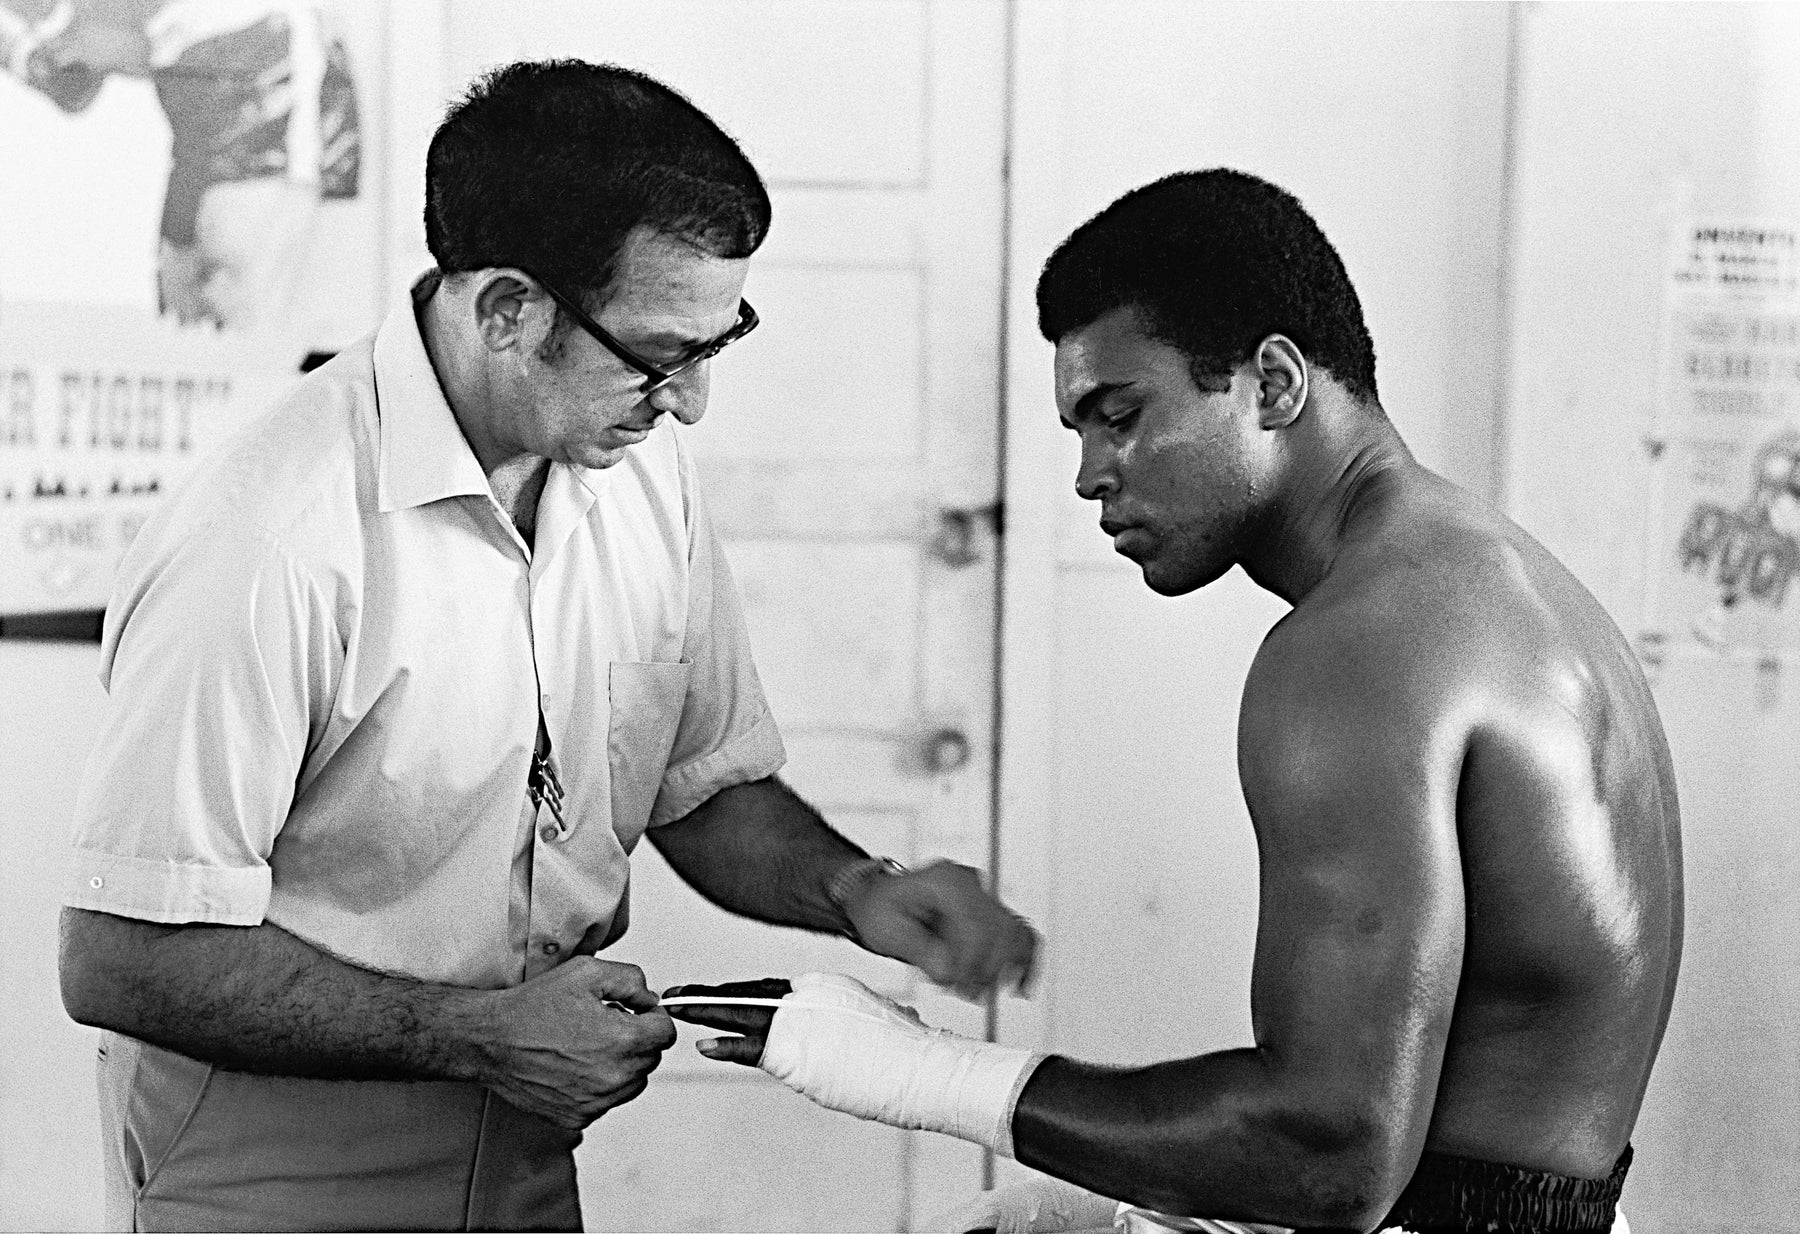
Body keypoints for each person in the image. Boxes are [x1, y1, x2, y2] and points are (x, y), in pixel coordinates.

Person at [57, 60, 1037, 1233]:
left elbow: (694, 780)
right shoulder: (268, 533)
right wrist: (477, 1037)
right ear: (509, 311)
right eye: (663, 354)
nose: (691, 403)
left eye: (718, 344)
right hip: (273, 1162)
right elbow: (123, 956)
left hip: (524, 1132)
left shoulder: (635, 466)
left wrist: (859, 891)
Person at [668, 170, 1683, 1234]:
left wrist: (925, 1074)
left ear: (1275, 383)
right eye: (1079, 431)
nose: (1090, 475)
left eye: (1121, 416)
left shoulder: (1358, 646)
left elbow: (1335, 1152)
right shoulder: (1490, 575)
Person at [0, 0, 360, 329]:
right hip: (283, 184)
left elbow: (195, 146)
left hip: (261, 185)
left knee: (236, 344)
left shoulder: (188, 31)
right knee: (245, 345)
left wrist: (176, 244)